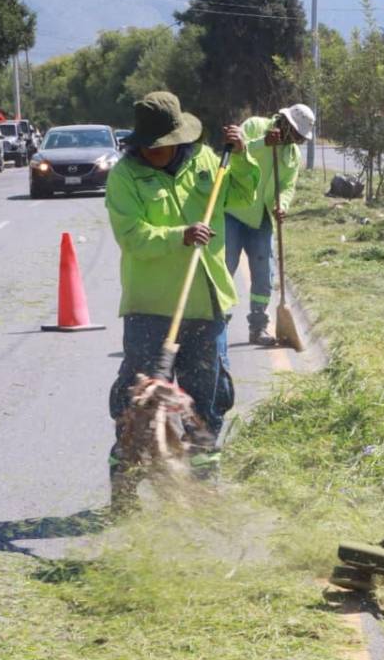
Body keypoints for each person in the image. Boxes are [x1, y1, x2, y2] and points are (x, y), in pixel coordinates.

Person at [105, 91, 259, 505]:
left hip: (207, 306)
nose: (156, 151)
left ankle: (205, 489)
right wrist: (181, 236)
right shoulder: (124, 178)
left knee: (207, 405)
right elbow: (133, 237)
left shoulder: (207, 161)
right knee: (139, 407)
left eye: (164, 143)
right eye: (150, 145)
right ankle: (125, 489)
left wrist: (242, 157)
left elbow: (244, 197)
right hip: (150, 309)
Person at [225, 104, 315, 346]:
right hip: (233, 211)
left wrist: (281, 205)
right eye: (296, 135)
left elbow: (287, 186)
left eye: (301, 137)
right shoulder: (255, 126)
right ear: (285, 123)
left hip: (262, 218)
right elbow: (235, 154)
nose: (298, 141)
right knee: (225, 268)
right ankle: (217, 322)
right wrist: (263, 143)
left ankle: (258, 326)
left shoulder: (292, 154)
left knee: (264, 274)